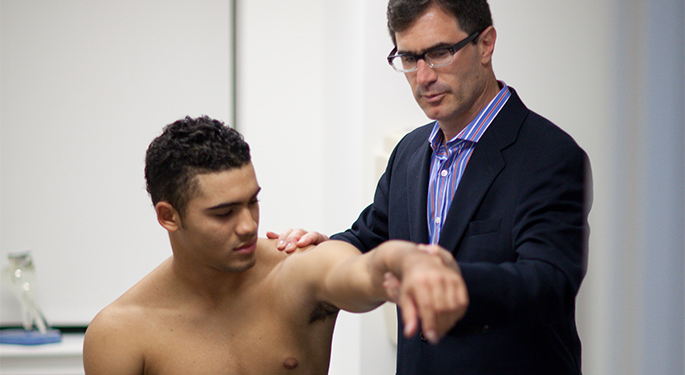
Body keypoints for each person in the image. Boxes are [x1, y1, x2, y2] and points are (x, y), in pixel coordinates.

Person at [271, 0, 592, 374]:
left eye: (439, 53)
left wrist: (445, 282)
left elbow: (548, 283)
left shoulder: (549, 154)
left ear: (485, 44)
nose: (423, 76)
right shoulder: (409, 152)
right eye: (409, 58)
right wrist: (321, 253)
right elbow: (369, 238)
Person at [82, 116, 468, 375]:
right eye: (224, 213)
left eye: (253, 201)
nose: (248, 225)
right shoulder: (120, 334)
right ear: (169, 216)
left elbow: (357, 273)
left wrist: (402, 257)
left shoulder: (295, 269)